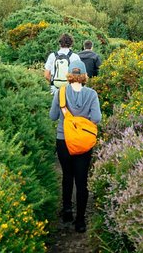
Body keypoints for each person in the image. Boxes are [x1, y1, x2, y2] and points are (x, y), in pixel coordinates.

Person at [49, 60, 102, 233]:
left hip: (63, 140)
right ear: (85, 75)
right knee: (82, 180)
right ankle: (80, 221)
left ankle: (67, 211)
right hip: (83, 143)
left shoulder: (61, 92)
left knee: (67, 176)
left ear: (70, 75)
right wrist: (82, 122)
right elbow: (96, 118)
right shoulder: (92, 94)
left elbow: (52, 116)